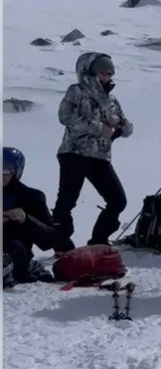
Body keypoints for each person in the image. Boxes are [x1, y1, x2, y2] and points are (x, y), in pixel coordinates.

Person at [51, 52, 133, 250]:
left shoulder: (111, 99)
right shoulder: (76, 91)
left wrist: (120, 124)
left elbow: (128, 129)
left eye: (110, 74)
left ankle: (99, 241)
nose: (108, 77)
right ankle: (62, 245)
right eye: (103, 73)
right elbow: (65, 116)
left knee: (117, 200)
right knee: (67, 201)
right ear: (89, 72)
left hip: (100, 157)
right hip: (74, 154)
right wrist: (98, 128)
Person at [2, 147, 58, 286]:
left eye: (5, 169)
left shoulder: (31, 197)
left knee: (14, 246)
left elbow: (49, 240)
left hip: (14, 254)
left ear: (16, 172)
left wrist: (26, 219)